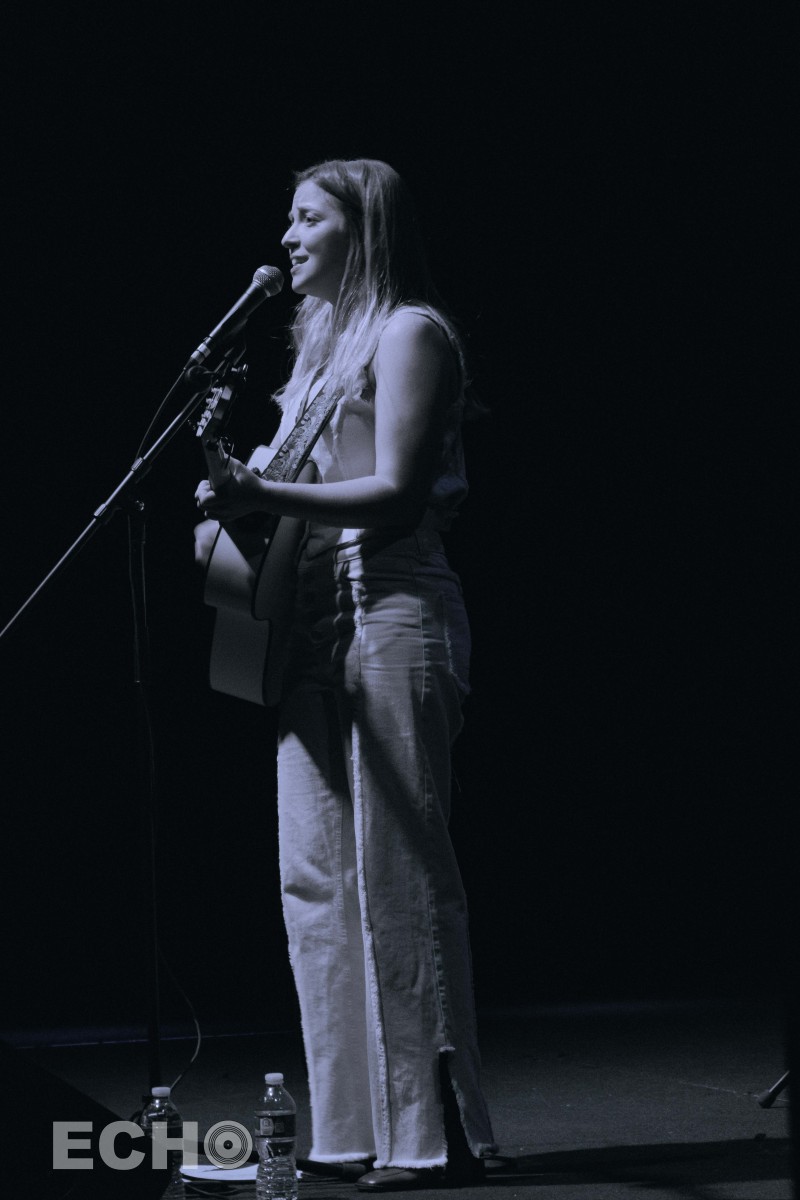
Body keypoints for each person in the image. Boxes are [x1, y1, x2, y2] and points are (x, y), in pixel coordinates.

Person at [194, 158, 497, 1190]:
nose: (285, 237)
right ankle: (345, 1130)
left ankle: (433, 1135)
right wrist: (228, 513)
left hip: (394, 606)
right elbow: (282, 506)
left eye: (306, 219)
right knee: (314, 878)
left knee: (400, 870)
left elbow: (398, 492)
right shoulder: (316, 350)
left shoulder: (409, 331)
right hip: (312, 624)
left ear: (360, 230)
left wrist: (262, 490)